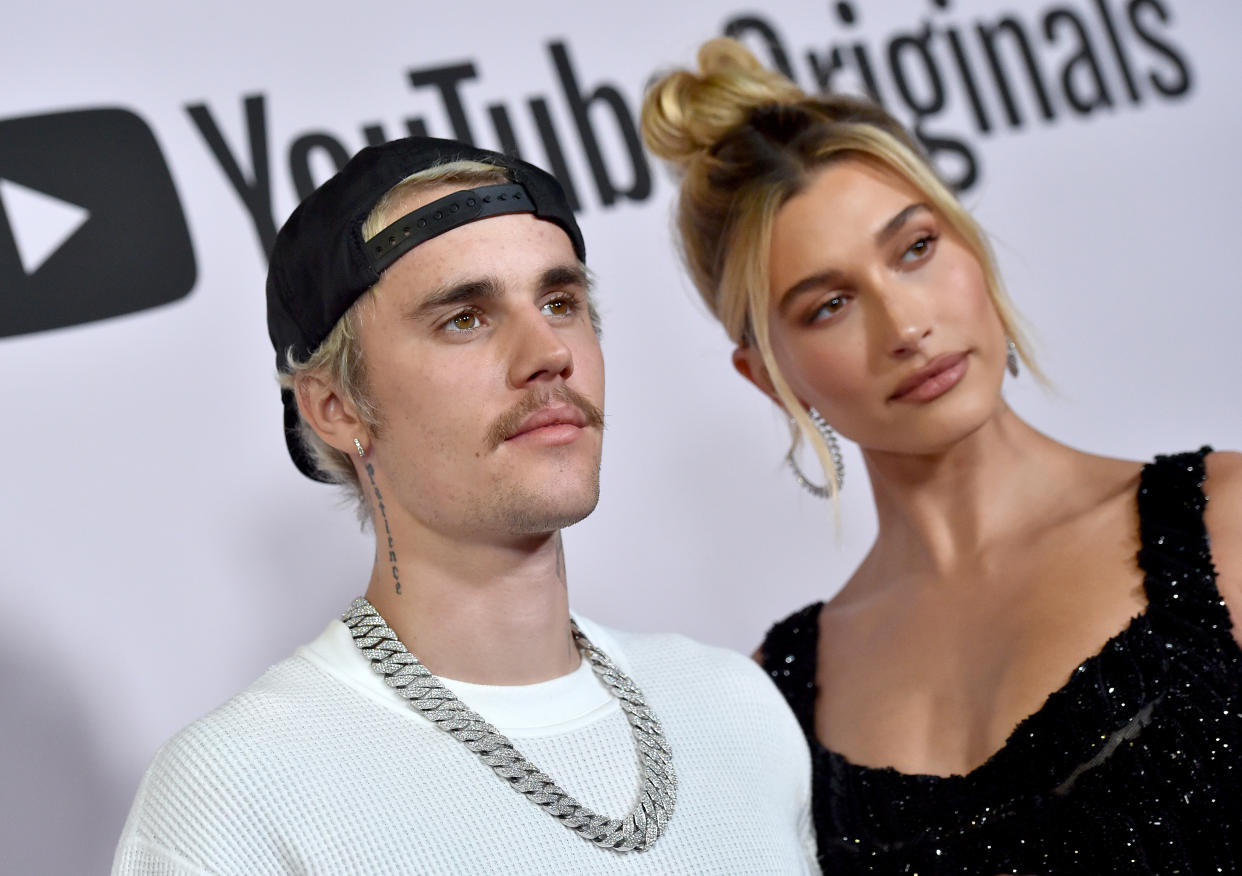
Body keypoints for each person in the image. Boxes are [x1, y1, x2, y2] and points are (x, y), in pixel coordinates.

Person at [112, 136, 818, 874]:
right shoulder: (235, 795)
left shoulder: (735, 709)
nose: (548, 351)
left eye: (560, 301)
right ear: (335, 407)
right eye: (465, 319)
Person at [641, 37, 1242, 875]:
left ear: (969, 243)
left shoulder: (1228, 525)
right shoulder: (773, 703)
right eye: (830, 304)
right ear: (769, 378)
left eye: (915, 249)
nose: (905, 327)